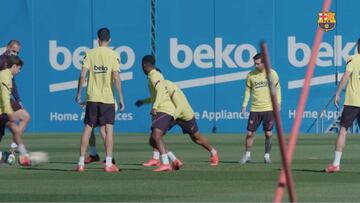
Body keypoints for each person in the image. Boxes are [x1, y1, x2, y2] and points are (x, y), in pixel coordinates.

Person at [137, 79, 219, 168]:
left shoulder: (168, 86)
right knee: (157, 133)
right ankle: (156, 159)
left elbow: (180, 105)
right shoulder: (158, 86)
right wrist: (143, 101)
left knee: (197, 138)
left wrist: (172, 118)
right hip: (170, 113)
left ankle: (213, 152)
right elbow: (157, 98)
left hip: (184, 115)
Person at [75, 27, 124, 172]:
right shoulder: (114, 54)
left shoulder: (89, 53)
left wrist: (78, 94)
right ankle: (109, 164)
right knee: (109, 131)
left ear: (97, 40)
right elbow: (116, 77)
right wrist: (121, 98)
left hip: (92, 97)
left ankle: (81, 163)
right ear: (109, 39)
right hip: (108, 98)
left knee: (87, 129)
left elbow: (82, 75)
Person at [324, 39, 360, 173]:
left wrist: (338, 93)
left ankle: (336, 164)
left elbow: (345, 76)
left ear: (358, 47)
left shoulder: (353, 59)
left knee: (343, 131)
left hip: (352, 102)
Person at [240, 53, 281, 164]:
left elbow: (277, 90)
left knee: (268, 133)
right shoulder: (250, 75)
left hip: (269, 108)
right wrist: (244, 105)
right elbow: (247, 91)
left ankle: (267, 156)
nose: (256, 65)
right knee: (249, 133)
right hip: (255, 109)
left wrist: (278, 103)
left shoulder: (272, 74)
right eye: (255, 63)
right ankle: (247, 155)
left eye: (258, 63)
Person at [141, 55, 176, 172]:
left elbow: (160, 91)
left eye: (142, 66)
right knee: (154, 138)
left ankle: (166, 163)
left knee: (156, 135)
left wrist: (155, 107)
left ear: (145, 65)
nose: (142, 69)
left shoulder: (154, 75)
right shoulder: (154, 75)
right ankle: (174, 160)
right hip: (164, 109)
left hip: (164, 109)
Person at [0, 40, 31, 151]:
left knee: (26, 117)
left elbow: (12, 82)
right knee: (1, 131)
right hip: (2, 100)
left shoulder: (13, 61)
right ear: (7, 47)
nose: (15, 54)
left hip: (6, 99)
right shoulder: (1, 60)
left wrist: (18, 99)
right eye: (13, 51)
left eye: (17, 52)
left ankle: (14, 146)